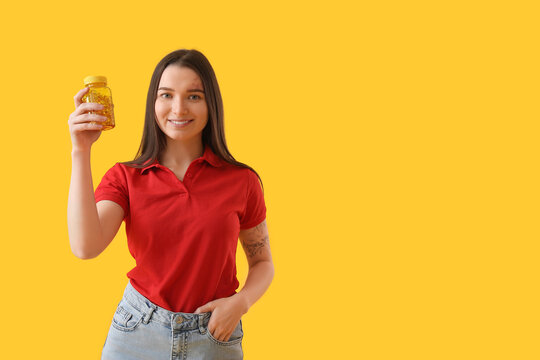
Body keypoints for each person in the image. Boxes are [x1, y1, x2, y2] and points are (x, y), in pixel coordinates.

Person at [67, 49, 274, 360]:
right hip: (137, 333)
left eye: (194, 96)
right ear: (154, 103)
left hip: (215, 336)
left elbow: (262, 263)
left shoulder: (242, 181)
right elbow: (86, 246)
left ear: (210, 105)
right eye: (167, 95)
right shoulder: (126, 178)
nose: (178, 108)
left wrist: (240, 303)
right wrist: (81, 151)